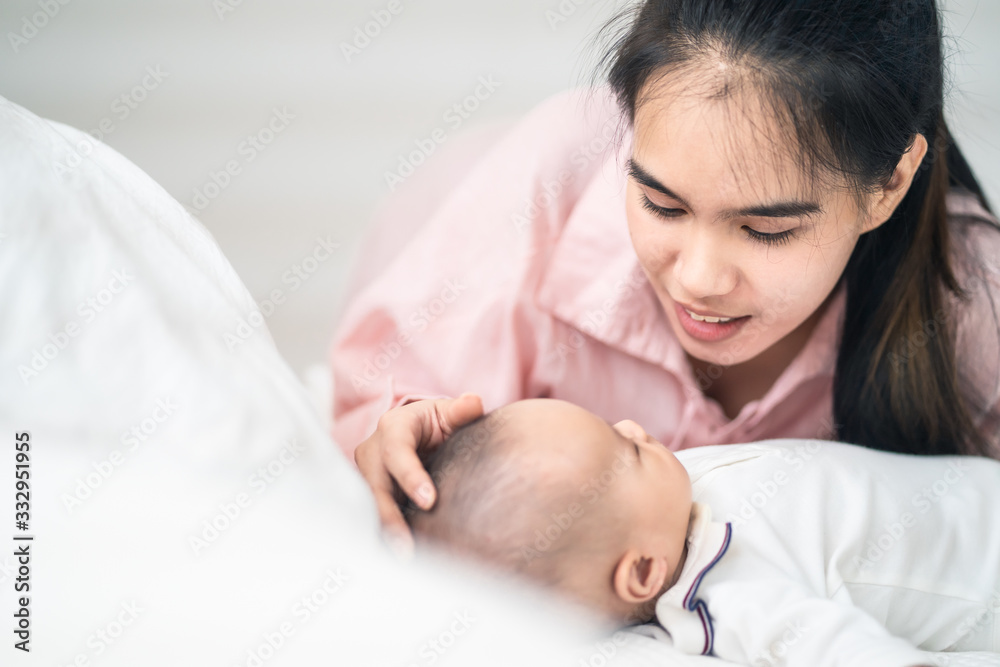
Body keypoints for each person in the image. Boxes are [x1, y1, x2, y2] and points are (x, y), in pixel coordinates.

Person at [330, 0, 1000, 552]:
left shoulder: (971, 298)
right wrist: (394, 434)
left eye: (766, 230)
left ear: (889, 185)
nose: (700, 278)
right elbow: (381, 408)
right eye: (661, 203)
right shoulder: (547, 191)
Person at [406, 398, 1000, 665]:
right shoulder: (724, 597)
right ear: (642, 572)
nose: (635, 426)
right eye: (627, 450)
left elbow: (499, 494)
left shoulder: (662, 512)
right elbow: (831, 644)